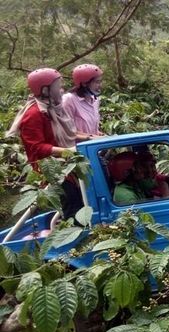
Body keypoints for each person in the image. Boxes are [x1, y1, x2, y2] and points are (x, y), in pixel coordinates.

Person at [5, 68, 93, 218]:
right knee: (72, 207)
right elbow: (36, 147)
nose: (61, 90)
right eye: (57, 86)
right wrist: (67, 151)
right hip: (51, 171)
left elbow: (69, 133)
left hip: (66, 166)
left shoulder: (53, 109)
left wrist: (88, 137)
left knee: (82, 201)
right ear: (45, 90)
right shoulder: (34, 114)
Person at [62, 64, 104, 136]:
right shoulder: (69, 100)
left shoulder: (95, 100)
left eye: (100, 82)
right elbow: (66, 130)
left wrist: (102, 136)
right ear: (84, 83)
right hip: (75, 146)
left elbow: (92, 131)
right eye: (97, 82)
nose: (100, 85)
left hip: (92, 145)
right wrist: (91, 137)